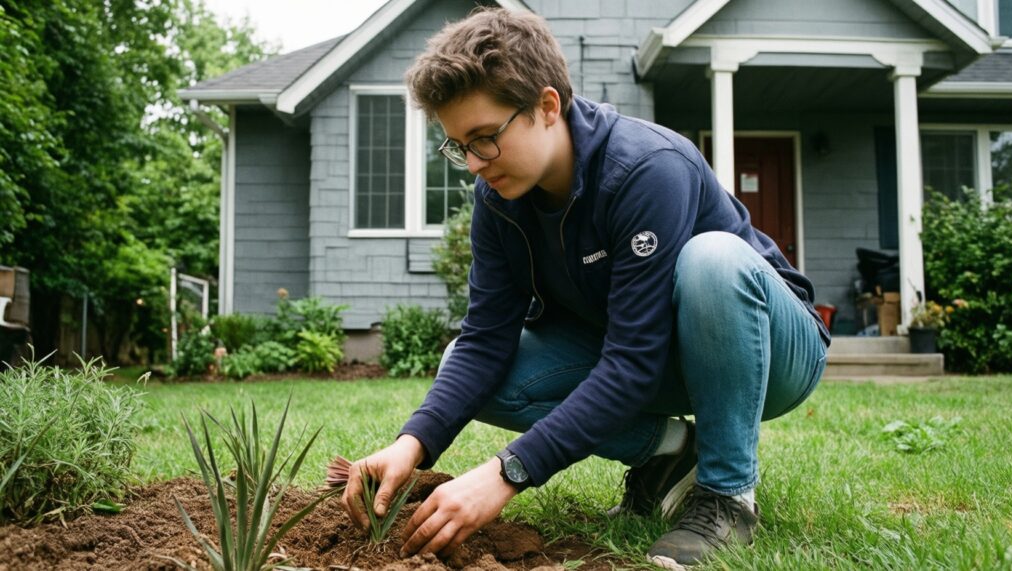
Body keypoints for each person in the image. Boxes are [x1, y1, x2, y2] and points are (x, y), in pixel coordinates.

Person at [340, 7, 830, 569]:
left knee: (712, 259)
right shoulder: (499, 200)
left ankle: (726, 497)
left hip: (769, 352)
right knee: (468, 366)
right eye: (458, 147)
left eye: (484, 138)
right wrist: (413, 443)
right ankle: (671, 454)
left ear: (547, 106)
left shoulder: (647, 167)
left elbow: (632, 360)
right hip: (654, 357)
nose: (474, 164)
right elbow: (485, 340)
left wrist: (506, 473)